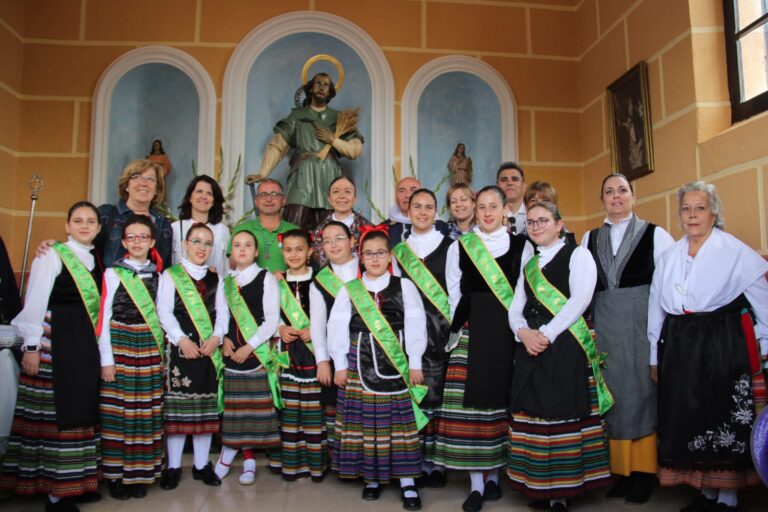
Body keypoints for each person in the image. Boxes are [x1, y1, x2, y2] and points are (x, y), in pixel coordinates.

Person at [648, 181, 768, 512]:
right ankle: (706, 492)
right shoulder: (670, 254)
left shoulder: (734, 252)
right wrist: (654, 356)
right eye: (686, 208)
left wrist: (766, 345)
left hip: (722, 342)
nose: (692, 215)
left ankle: (727, 497)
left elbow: (763, 303)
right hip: (680, 343)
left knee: (722, 411)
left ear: (713, 212)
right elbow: (655, 308)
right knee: (689, 414)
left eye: (700, 208)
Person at [433, 186, 532, 512]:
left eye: (494, 206)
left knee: (499, 406)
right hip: (472, 330)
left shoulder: (523, 245)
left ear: (506, 210)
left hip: (507, 332)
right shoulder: (461, 247)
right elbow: (453, 294)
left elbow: (524, 293)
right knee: (472, 410)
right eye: (482, 207)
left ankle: (494, 478)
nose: (487, 212)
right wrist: (458, 330)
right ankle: (477, 483)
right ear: (475, 211)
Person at [507, 201, 611, 512]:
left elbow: (580, 299)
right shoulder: (529, 264)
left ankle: (560, 494)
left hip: (564, 343)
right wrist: (522, 332)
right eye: (532, 223)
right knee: (533, 412)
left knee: (560, 411)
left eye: (543, 221)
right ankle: (539, 487)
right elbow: (516, 306)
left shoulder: (578, 255)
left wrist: (546, 334)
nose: (536, 227)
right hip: (532, 344)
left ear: (559, 225)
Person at [1, 201, 104, 512]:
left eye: (90, 221)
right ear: (67, 225)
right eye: (78, 220)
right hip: (53, 342)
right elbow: (35, 301)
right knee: (57, 413)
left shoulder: (94, 259)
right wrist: (32, 346)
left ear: (99, 228)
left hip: (83, 344)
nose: (84, 226)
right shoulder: (53, 255)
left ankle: (77, 482)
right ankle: (55, 493)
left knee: (80, 409)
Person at [580, 173, 674, 504]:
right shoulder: (588, 239)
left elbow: (668, 283)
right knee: (613, 395)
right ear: (602, 199)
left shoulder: (656, 234)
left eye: (622, 190)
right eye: (609, 191)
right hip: (605, 323)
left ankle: (644, 474)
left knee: (642, 394)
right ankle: (620, 471)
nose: (616, 196)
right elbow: (584, 287)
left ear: (634, 197)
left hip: (642, 321)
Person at [328, 228, 427, 510]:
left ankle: (407, 480)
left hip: (395, 362)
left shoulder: (404, 286)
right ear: (361, 257)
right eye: (369, 253)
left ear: (389, 256)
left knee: (399, 422)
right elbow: (335, 327)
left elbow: (416, 323)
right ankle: (371, 478)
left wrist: (415, 361)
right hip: (358, 360)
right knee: (367, 422)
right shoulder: (350, 289)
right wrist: (338, 365)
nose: (374, 258)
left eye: (380, 253)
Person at [156, 223, 229, 490]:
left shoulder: (217, 278)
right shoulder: (170, 275)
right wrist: (181, 339)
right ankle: (174, 467)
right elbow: (164, 311)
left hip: (208, 351)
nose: (202, 247)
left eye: (207, 243)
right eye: (196, 241)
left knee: (205, 412)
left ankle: (201, 465)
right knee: (178, 413)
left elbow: (223, 313)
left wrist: (216, 338)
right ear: (185, 244)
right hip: (181, 350)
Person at [98, 214, 165, 500]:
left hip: (148, 345)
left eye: (143, 237)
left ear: (152, 242)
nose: (137, 242)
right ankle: (115, 475)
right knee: (120, 412)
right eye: (131, 237)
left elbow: (161, 317)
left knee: (145, 411)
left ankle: (140, 473)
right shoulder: (113, 273)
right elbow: (104, 317)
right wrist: (107, 360)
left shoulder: (160, 275)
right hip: (121, 343)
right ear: (124, 242)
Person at [392, 189, 453, 489]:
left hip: (442, 331)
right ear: (408, 210)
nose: (423, 212)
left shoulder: (450, 246)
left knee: (439, 398)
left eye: (429, 207)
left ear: (436, 211)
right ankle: (414, 460)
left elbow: (455, 292)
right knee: (413, 396)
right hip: (409, 333)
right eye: (417, 206)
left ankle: (437, 463)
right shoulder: (398, 251)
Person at [247, 73, 364, 230]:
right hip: (303, 173)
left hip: (329, 174)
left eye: (326, 85)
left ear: (330, 91)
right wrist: (263, 173)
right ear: (310, 88)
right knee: (293, 221)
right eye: (318, 83)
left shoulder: (340, 118)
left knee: (329, 225)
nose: (322, 87)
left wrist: (333, 140)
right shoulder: (297, 116)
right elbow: (278, 145)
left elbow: (355, 150)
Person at [215, 230, 281, 485]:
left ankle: (244, 460)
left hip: (257, 355)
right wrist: (224, 339)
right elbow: (222, 316)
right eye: (237, 245)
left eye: (248, 245)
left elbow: (271, 320)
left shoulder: (266, 279)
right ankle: (240, 458)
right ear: (231, 252)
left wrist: (249, 347)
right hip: (232, 354)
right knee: (235, 411)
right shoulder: (226, 281)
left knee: (253, 412)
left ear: (256, 252)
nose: (242, 249)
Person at [268, 229, 328, 481]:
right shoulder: (274, 282)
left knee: (313, 412)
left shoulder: (321, 280)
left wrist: (312, 330)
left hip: (314, 353)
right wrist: (279, 328)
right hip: (286, 353)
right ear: (283, 253)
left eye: (299, 249)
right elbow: (267, 314)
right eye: (288, 250)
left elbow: (330, 316)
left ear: (310, 252)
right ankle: (290, 465)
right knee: (290, 412)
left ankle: (316, 466)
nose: (294, 254)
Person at [35, 160, 173, 269]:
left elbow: (166, 266)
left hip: (151, 296)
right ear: (126, 185)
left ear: (157, 189)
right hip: (110, 292)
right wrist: (57, 246)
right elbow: (82, 246)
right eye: (136, 177)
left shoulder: (164, 224)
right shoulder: (107, 214)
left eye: (150, 179)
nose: (143, 183)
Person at [309, 221, 361, 455]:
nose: (333, 244)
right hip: (336, 353)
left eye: (339, 238)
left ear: (352, 241)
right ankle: (344, 461)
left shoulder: (370, 266)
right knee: (339, 408)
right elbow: (317, 326)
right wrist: (322, 361)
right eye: (326, 241)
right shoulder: (320, 280)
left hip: (374, 351)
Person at [230, 179, 299, 273]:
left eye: (274, 194)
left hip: (286, 286)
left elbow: (303, 268)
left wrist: (285, 276)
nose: (269, 199)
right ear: (256, 201)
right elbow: (233, 266)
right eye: (263, 194)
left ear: (283, 201)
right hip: (249, 286)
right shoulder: (241, 230)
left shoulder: (296, 231)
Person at [172, 175, 230, 276]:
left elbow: (226, 266)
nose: (204, 196)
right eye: (199, 191)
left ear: (213, 201)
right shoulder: (175, 228)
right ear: (190, 197)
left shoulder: (222, 230)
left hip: (215, 288)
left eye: (209, 193)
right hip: (183, 288)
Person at [311, 176, 372, 267]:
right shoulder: (317, 232)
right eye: (336, 191)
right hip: (329, 280)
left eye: (347, 192)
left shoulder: (368, 229)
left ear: (355, 198)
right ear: (329, 199)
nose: (342, 196)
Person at [383, 177, 448, 245]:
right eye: (402, 191)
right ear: (396, 197)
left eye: (413, 190)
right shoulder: (384, 228)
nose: (407, 195)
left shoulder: (443, 227)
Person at [496, 162, 527, 236]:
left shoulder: (534, 212)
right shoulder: (489, 214)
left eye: (515, 179)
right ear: (497, 187)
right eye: (504, 180)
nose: (509, 183)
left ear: (523, 186)